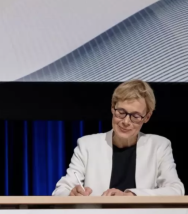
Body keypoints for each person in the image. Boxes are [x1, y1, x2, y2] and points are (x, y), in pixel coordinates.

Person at [53, 80, 184, 197]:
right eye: (121, 112)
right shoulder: (87, 145)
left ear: (147, 117)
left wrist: (132, 195)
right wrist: (71, 194)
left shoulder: (159, 146)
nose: (126, 122)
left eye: (135, 116)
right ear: (112, 108)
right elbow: (60, 191)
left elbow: (176, 190)